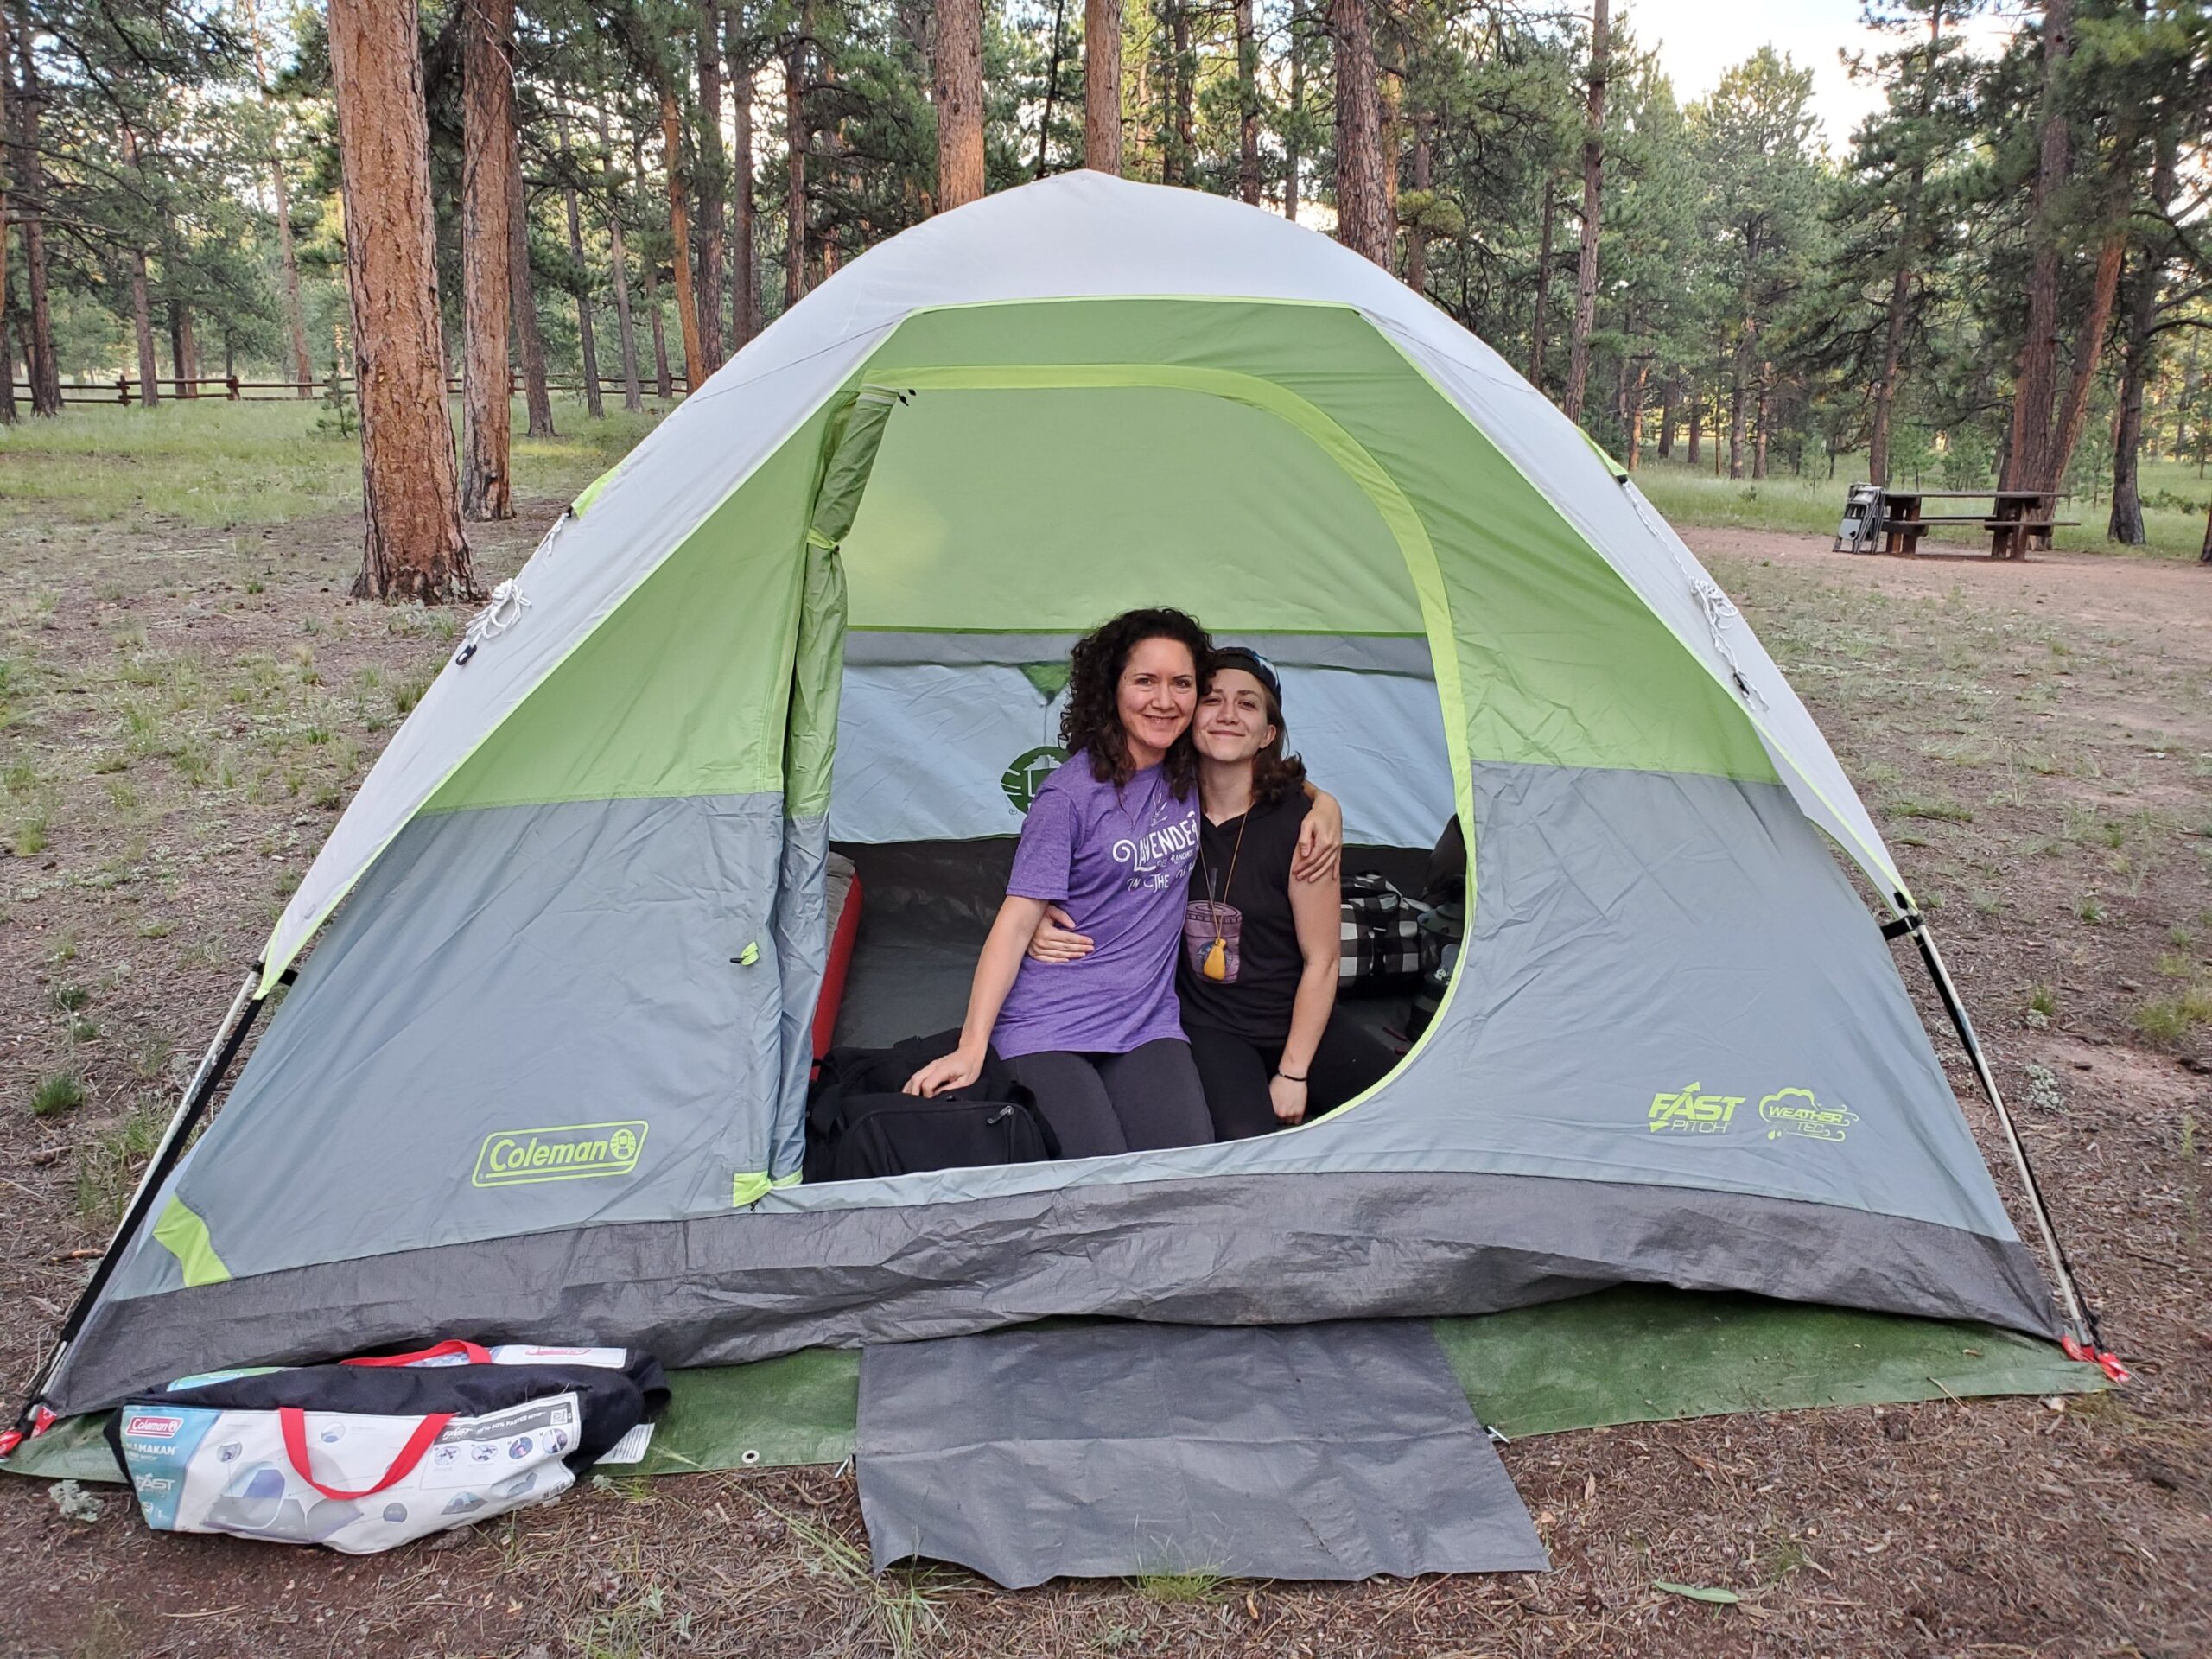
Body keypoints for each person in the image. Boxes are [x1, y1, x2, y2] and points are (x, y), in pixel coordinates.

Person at [904, 610, 1341, 1159]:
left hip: (1147, 1020)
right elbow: (1015, 924)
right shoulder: (1068, 796)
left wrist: (1327, 805)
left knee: (1182, 1160)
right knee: (1099, 1165)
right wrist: (972, 1047)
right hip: (1052, 1020)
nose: (1164, 700)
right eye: (1145, 681)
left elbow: (1255, 763)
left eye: (1182, 684)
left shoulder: (1186, 770)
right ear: (1111, 688)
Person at [1029, 647, 1395, 1140]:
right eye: (1213, 699)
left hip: (1300, 1016)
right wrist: (1037, 916)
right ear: (1190, 717)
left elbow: (1323, 961)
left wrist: (1293, 1072)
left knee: (1406, 1113)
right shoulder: (1161, 803)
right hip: (1212, 1025)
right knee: (1246, 1145)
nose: (1227, 714)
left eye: (1247, 704)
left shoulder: (1301, 824)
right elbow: (1073, 849)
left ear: (1268, 734)